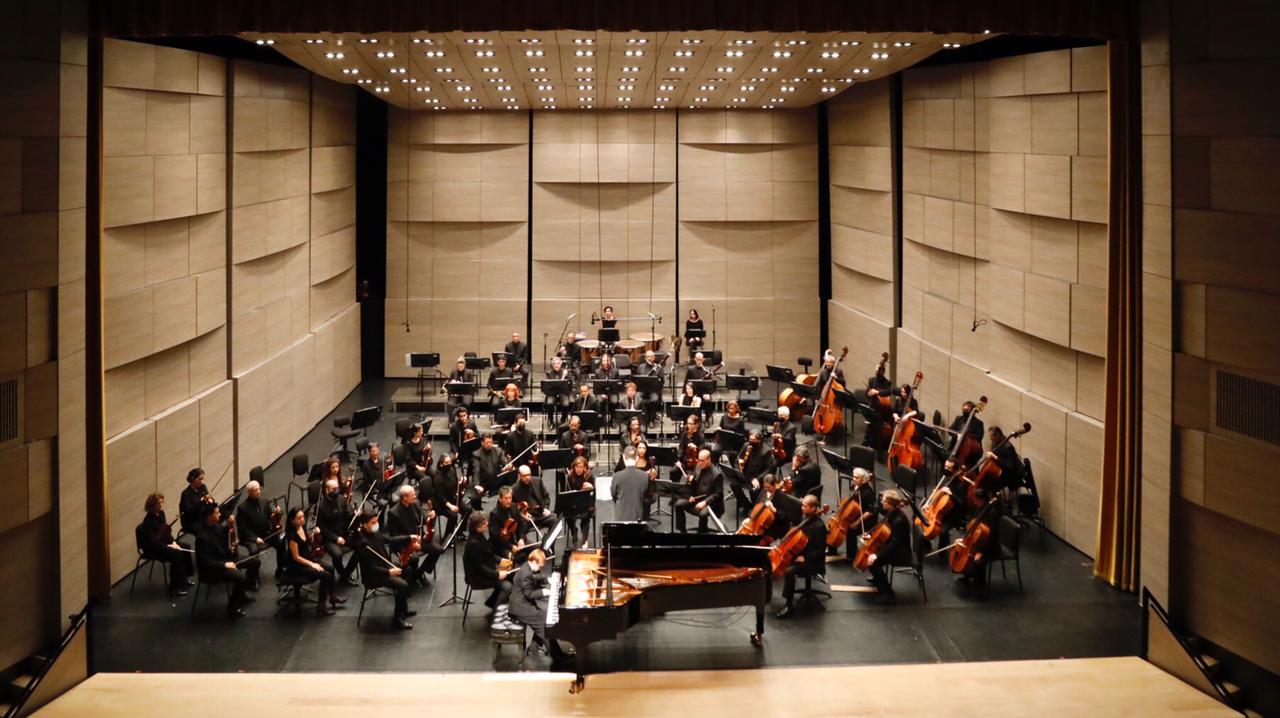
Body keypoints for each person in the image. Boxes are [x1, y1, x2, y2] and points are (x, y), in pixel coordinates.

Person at [352, 509, 415, 630]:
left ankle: (404, 609)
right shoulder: (362, 543)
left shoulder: (375, 533)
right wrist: (389, 572)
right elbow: (370, 568)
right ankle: (397, 620)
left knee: (408, 570)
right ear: (365, 525)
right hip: (374, 576)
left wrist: (409, 537)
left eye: (376, 521)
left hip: (385, 567)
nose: (376, 524)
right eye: (373, 522)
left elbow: (390, 540)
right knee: (402, 585)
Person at [508, 548, 573, 665]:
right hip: (520, 607)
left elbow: (535, 577)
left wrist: (548, 580)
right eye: (540, 566)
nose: (541, 569)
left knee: (544, 617)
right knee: (545, 625)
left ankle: (534, 648)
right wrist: (546, 592)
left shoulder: (527, 567)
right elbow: (529, 594)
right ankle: (557, 657)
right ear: (534, 562)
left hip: (522, 603)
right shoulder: (526, 574)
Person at [194, 504, 256, 618]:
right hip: (212, 570)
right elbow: (205, 562)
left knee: (254, 561)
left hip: (224, 559)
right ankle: (232, 606)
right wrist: (225, 565)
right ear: (209, 516)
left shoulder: (215, 526)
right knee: (240, 578)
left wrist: (229, 526)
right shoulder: (202, 537)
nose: (219, 514)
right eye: (216, 513)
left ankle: (241, 594)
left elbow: (223, 534)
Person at [280, 506, 344, 617]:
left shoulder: (302, 528)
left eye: (302, 517)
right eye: (299, 518)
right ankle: (321, 605)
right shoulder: (292, 537)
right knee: (325, 575)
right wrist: (312, 564)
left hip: (308, 559)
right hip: (298, 566)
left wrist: (315, 534)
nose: (302, 520)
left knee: (331, 569)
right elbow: (296, 557)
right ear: (292, 520)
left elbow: (307, 544)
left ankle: (332, 596)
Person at [775, 494, 829, 619]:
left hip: (813, 562)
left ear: (814, 508)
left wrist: (805, 558)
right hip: (801, 555)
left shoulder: (819, 526)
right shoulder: (805, 518)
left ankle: (789, 606)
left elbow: (820, 550)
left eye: (805, 506)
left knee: (789, 571)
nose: (802, 508)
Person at [384, 485, 446, 581]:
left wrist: (431, 517)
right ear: (404, 498)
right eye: (412, 495)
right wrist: (409, 539)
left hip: (418, 538)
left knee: (439, 550)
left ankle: (419, 572)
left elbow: (424, 518)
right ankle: (412, 573)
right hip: (404, 543)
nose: (415, 496)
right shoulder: (393, 513)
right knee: (414, 558)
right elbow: (394, 536)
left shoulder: (415, 503)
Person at [137, 492, 192, 596]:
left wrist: (174, 542)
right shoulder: (148, 522)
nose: (161, 505)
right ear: (152, 506)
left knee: (185, 546)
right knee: (177, 554)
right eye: (159, 503)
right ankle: (175, 585)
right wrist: (169, 546)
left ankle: (185, 577)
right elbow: (152, 543)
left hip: (164, 543)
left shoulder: (161, 513)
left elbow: (166, 532)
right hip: (154, 548)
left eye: (161, 503)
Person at [863, 489, 912, 605]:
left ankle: (888, 594)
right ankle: (878, 578)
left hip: (900, 553)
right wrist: (870, 533)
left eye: (883, 501)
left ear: (890, 504)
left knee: (873, 562)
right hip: (893, 547)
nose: (881, 502)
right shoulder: (891, 512)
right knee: (870, 557)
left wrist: (877, 555)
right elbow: (882, 525)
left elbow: (894, 544)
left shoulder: (899, 520)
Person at [463, 511, 512, 609]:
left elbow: (488, 553)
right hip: (478, 577)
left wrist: (501, 560)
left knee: (511, 575)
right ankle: (496, 614)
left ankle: (492, 603)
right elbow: (480, 569)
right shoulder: (474, 544)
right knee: (508, 587)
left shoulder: (479, 536)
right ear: (477, 526)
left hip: (485, 569)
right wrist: (497, 574)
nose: (487, 524)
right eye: (484, 523)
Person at [234, 481, 276, 589]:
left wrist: (275, 514)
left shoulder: (264, 502)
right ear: (249, 492)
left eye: (259, 489)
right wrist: (255, 538)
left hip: (265, 533)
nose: (258, 492)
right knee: (254, 551)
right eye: (255, 490)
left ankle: (280, 570)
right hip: (250, 537)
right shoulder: (242, 508)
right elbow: (242, 528)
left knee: (280, 542)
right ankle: (253, 578)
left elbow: (270, 517)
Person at [316, 478, 358, 586]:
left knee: (361, 545)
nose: (336, 490)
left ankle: (345, 573)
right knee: (337, 554)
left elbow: (347, 516)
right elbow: (322, 527)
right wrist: (336, 538)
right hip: (329, 538)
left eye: (337, 488)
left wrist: (354, 514)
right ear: (327, 490)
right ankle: (343, 574)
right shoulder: (321, 506)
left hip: (343, 533)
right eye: (333, 489)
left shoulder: (341, 499)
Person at [674, 449, 724, 533]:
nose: (700, 462)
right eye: (699, 460)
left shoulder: (717, 474)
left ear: (709, 459)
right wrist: (689, 496)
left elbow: (718, 494)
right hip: (696, 498)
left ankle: (702, 532)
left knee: (703, 514)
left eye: (702, 461)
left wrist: (705, 502)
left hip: (711, 503)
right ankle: (682, 532)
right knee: (678, 505)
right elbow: (693, 484)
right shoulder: (698, 465)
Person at [742, 474, 802, 542]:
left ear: (775, 485)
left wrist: (774, 510)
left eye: (768, 487)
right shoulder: (764, 491)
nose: (766, 489)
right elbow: (756, 506)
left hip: (775, 526)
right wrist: (750, 518)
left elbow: (785, 517)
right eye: (765, 487)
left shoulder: (781, 496)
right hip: (763, 521)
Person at [840, 468, 881, 559]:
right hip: (857, 513)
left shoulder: (867, 493)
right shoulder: (854, 486)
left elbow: (871, 511)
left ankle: (852, 555)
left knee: (850, 530)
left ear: (863, 480)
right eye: (853, 477)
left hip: (867, 519)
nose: (854, 479)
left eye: (857, 478)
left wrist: (857, 522)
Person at [512, 465, 556, 536]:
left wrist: (545, 508)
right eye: (524, 476)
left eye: (529, 475)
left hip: (540, 513)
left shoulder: (537, 481)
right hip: (527, 518)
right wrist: (522, 515)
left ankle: (548, 544)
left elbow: (546, 497)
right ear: (519, 476)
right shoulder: (514, 489)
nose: (527, 477)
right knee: (520, 532)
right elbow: (513, 508)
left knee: (554, 521)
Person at [611, 447, 650, 524]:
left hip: (621, 518)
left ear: (623, 458)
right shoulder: (645, 476)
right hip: (639, 517)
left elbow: (613, 494)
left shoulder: (617, 476)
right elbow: (648, 497)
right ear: (637, 458)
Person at [561, 457, 595, 546]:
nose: (578, 469)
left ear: (585, 467)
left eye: (581, 467)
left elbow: (593, 493)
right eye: (577, 467)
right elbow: (565, 493)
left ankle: (584, 540)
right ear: (574, 467)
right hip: (574, 504)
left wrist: (590, 487)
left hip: (586, 504)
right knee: (567, 515)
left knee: (586, 517)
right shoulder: (570, 476)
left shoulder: (589, 476)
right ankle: (573, 530)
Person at [489, 486, 526, 558]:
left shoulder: (514, 506)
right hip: (502, 545)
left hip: (517, 540)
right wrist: (511, 546)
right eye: (506, 498)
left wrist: (521, 539)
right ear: (500, 499)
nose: (509, 501)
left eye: (510, 498)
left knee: (535, 548)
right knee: (514, 559)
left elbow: (522, 524)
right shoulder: (494, 514)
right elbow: (495, 537)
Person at [471, 433, 506, 501]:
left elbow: (504, 463)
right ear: (482, 443)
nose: (489, 444)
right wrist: (477, 485)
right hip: (483, 482)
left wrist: (508, 466)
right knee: (475, 498)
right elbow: (476, 471)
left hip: (496, 481)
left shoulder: (498, 451)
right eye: (487, 443)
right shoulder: (476, 454)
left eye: (491, 442)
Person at [179, 467, 212, 534]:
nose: (201, 481)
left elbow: (209, 498)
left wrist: (210, 500)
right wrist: (201, 502)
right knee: (204, 531)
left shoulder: (202, 487)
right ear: (192, 479)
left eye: (202, 479)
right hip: (192, 521)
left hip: (202, 516)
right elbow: (188, 512)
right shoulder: (186, 494)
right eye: (199, 479)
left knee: (215, 526)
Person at [544, 356, 573, 424]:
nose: (556, 365)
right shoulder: (548, 373)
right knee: (550, 403)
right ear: (552, 365)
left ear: (560, 364)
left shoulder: (565, 372)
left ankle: (563, 420)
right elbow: (546, 386)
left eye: (558, 363)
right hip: (552, 393)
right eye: (554, 364)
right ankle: (551, 421)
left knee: (566, 405)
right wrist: (563, 377)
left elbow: (570, 385)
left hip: (563, 393)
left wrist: (565, 375)